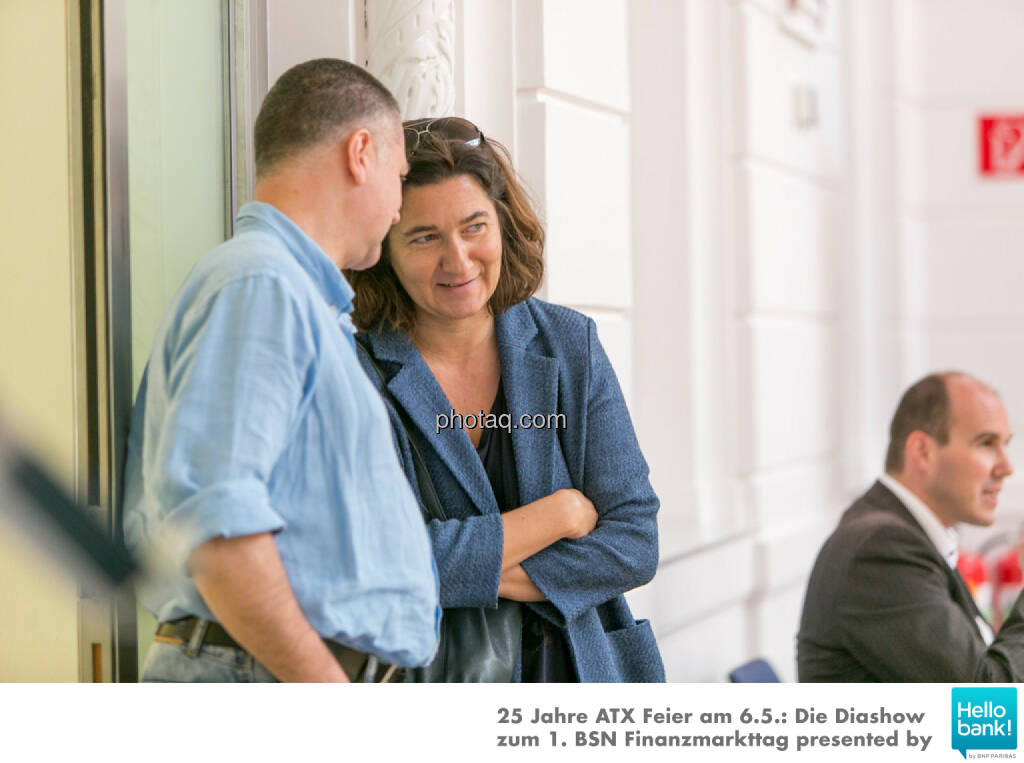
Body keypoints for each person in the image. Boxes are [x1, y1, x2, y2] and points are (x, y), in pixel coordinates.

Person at [122, 59, 440, 682]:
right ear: (361, 153)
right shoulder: (263, 284)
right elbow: (219, 530)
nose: (399, 208)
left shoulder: (283, 292)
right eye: (400, 177)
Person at [348, 117, 664, 682]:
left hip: (579, 677)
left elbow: (635, 541)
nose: (459, 260)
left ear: (503, 225)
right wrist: (557, 514)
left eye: (474, 227)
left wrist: (454, 565)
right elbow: (378, 557)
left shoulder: (569, 345)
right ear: (384, 250)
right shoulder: (359, 371)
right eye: (424, 237)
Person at [798, 371, 1024, 681]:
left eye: (1005, 445)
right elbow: (987, 709)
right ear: (922, 452)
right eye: (986, 444)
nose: (1006, 467)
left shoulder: (902, 535)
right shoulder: (881, 551)